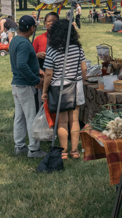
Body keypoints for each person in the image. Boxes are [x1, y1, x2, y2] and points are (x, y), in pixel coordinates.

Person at [41, 19, 87, 160]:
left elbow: (49, 74)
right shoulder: (78, 48)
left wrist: (44, 91)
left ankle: (63, 151)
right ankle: (75, 150)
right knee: (75, 120)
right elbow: (84, 68)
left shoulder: (52, 50)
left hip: (59, 88)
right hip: (76, 85)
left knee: (61, 121)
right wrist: (81, 80)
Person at [9, 15, 45, 158]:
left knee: (20, 116)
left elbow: (23, 61)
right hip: (25, 84)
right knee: (31, 116)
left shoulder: (15, 40)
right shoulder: (24, 43)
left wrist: (36, 67)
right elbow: (21, 64)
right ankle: (34, 149)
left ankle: (19, 146)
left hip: (17, 83)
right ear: (31, 28)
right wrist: (35, 80)